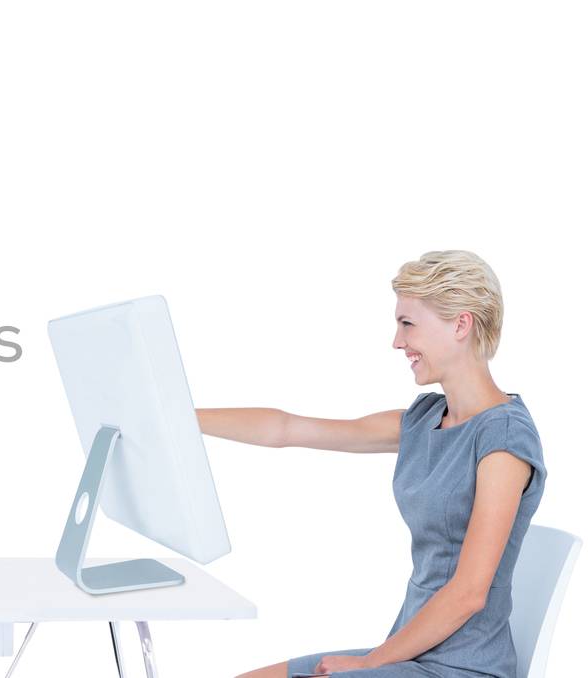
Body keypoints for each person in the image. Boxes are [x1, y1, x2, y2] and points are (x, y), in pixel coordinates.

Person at [202, 251, 545, 678]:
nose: (397, 342)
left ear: (461, 324)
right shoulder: (424, 420)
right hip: (410, 654)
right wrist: (181, 419)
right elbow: (289, 429)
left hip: (461, 668)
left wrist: (368, 663)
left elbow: (469, 593)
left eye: (408, 324)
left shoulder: (504, 438)